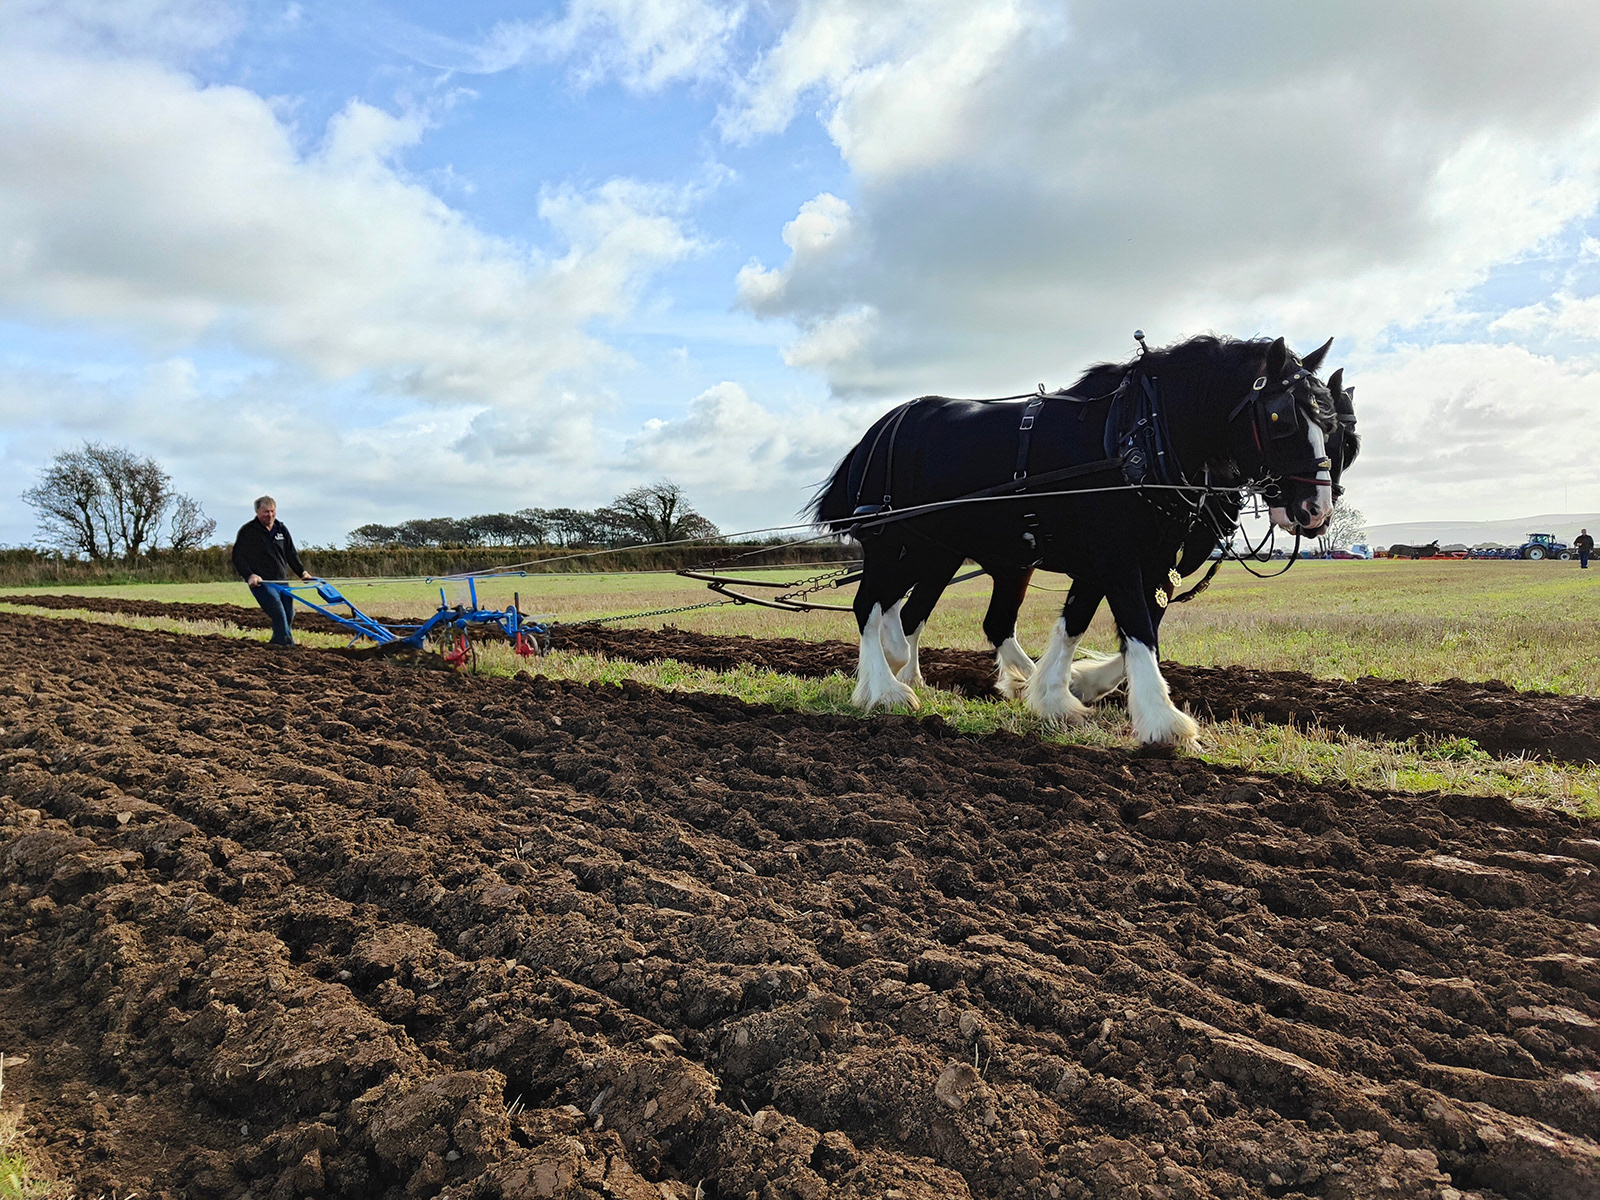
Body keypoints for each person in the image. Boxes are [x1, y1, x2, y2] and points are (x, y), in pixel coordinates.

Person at [231, 496, 313, 646]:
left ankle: (276, 644)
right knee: (278, 613)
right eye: (265, 512)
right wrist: (250, 575)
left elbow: (291, 554)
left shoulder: (281, 529)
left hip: (282, 581)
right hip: (263, 583)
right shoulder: (248, 531)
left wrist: (302, 572)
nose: (270, 515)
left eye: (272, 511)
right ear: (257, 511)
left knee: (289, 614)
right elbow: (238, 557)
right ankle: (287, 645)